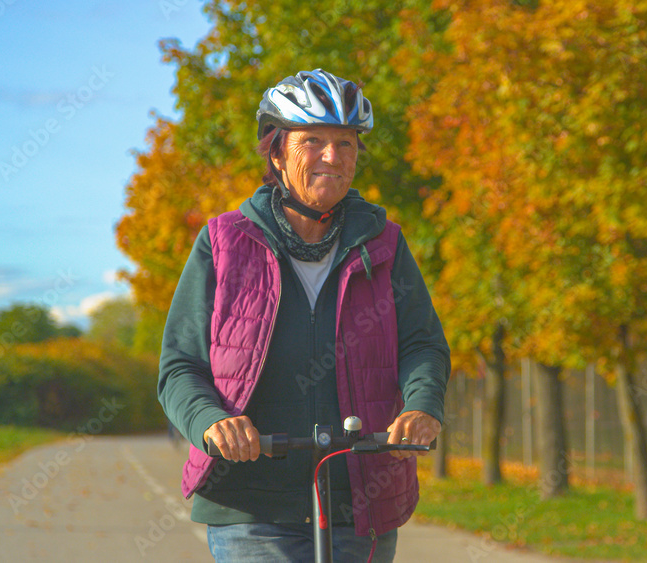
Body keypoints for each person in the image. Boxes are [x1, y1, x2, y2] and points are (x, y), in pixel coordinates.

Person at [157, 68, 450, 562]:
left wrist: (422, 408)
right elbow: (180, 365)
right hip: (250, 504)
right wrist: (212, 423)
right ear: (275, 151)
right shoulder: (225, 243)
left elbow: (421, 344)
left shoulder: (384, 244)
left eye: (347, 144)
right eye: (312, 140)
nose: (332, 157)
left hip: (360, 501)